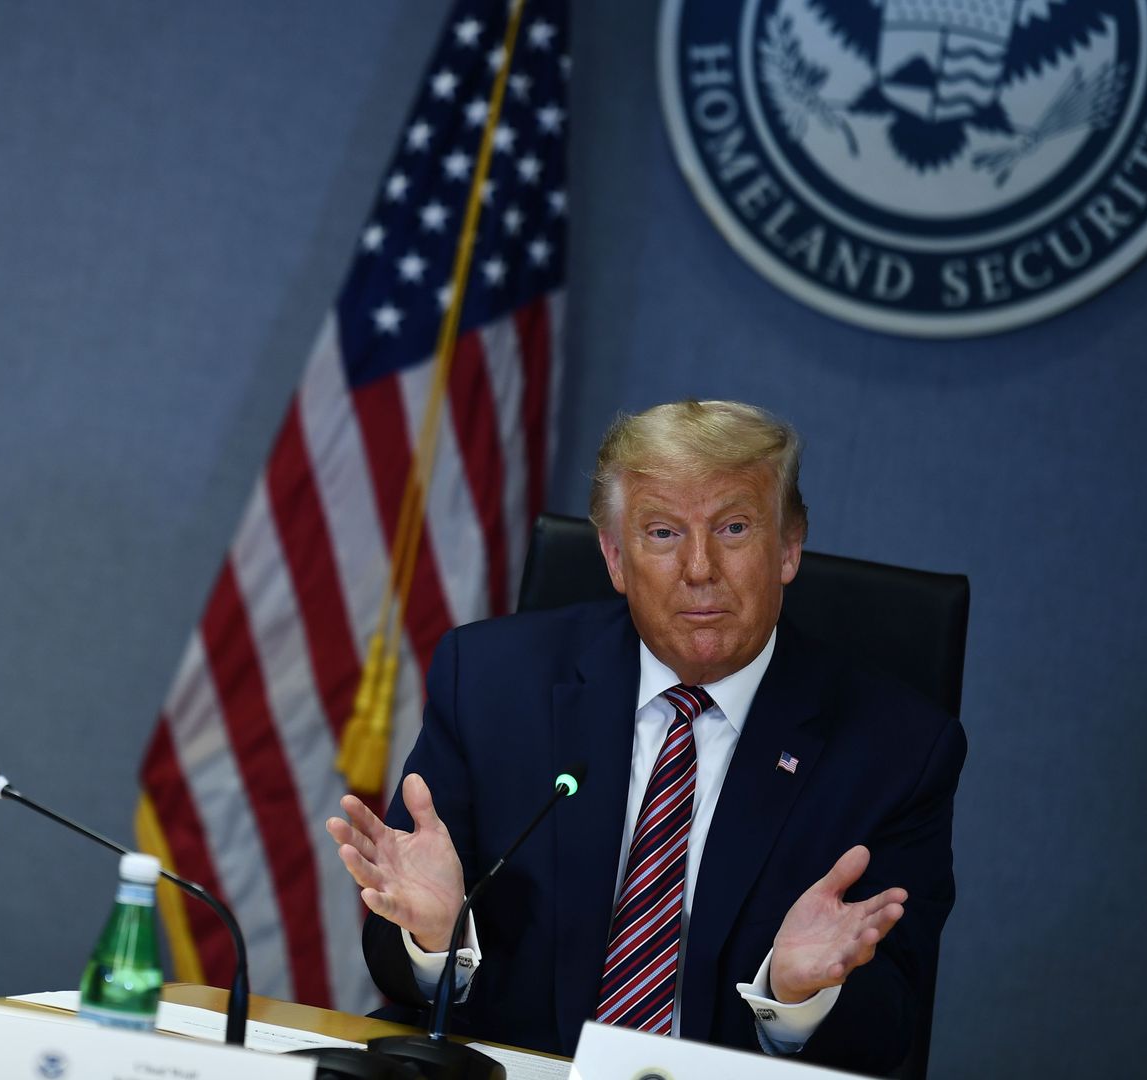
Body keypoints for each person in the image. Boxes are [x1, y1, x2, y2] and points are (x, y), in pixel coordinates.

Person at [327, 400, 965, 1075]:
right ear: (614, 557)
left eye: (735, 527)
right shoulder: (488, 685)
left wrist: (799, 995)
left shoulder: (897, 750)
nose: (699, 568)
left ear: (789, 548)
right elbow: (399, 968)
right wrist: (433, 939)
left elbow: (891, 1024)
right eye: (661, 533)